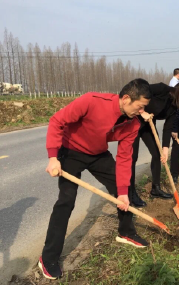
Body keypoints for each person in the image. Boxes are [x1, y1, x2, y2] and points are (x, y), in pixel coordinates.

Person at [39, 79, 152, 280]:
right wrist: (53, 157)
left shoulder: (133, 123)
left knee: (123, 189)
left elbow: (125, 158)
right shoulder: (91, 101)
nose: (141, 111)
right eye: (140, 106)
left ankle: (126, 232)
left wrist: (124, 193)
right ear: (126, 99)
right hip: (71, 151)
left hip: (98, 154)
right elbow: (57, 120)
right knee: (67, 201)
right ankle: (48, 257)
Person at [130, 81, 179, 207]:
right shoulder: (162, 89)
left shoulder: (176, 106)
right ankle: (131, 193)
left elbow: (167, 127)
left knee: (157, 154)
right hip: (133, 122)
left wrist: (165, 149)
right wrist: (141, 110)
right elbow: (139, 92)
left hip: (148, 125)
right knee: (132, 158)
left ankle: (156, 188)